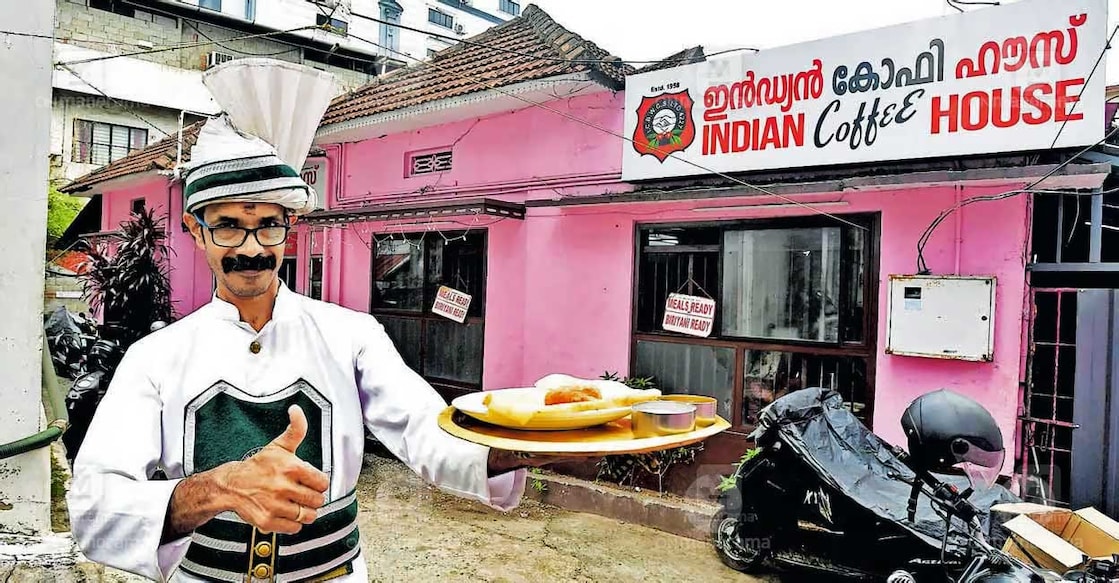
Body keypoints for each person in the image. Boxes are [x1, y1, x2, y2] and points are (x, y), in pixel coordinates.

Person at [66, 58, 573, 583]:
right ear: (195, 231)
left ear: (289, 229)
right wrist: (221, 488)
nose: (250, 248)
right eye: (228, 228)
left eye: (268, 227)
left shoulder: (350, 334)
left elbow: (428, 432)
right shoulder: (155, 358)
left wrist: (534, 441)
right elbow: (94, 506)